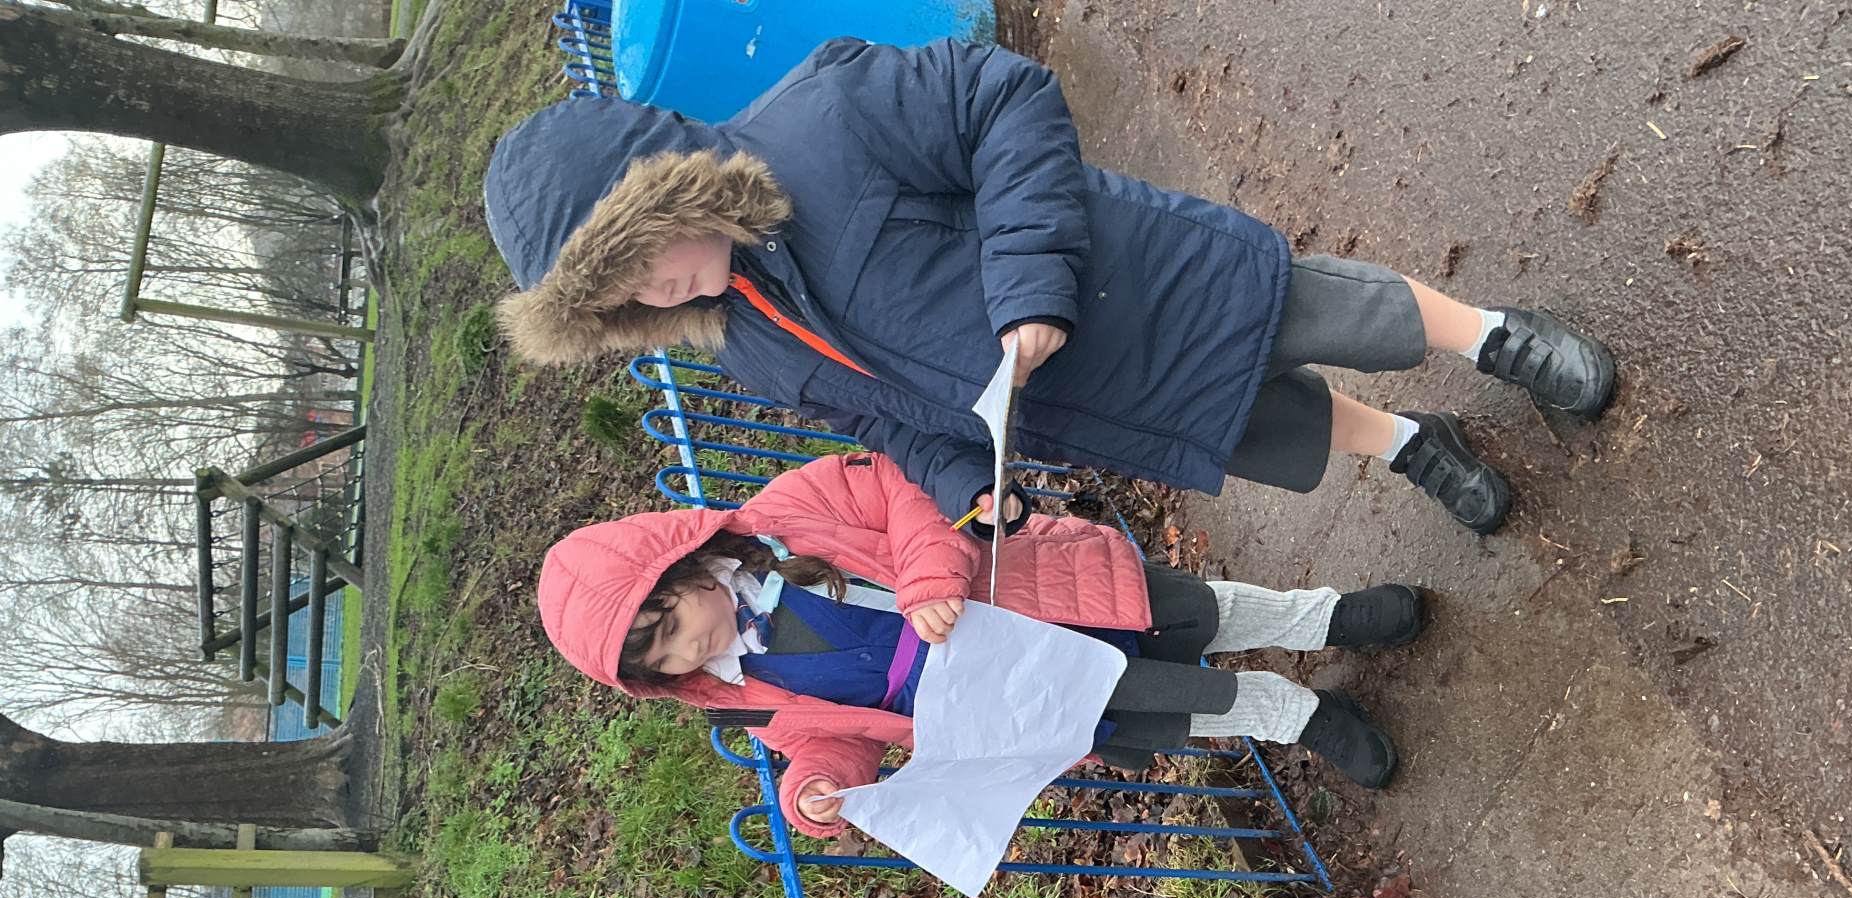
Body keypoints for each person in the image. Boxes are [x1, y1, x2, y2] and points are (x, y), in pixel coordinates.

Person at [486, 38, 1615, 541]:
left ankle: (1495, 338)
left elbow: (1005, 99)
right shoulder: (744, 340)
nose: (656, 289)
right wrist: (964, 493)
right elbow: (876, 422)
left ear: (665, 187)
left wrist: (1029, 284)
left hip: (1141, 282)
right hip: (1105, 406)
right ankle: (1415, 445)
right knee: (1275, 427)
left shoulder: (823, 119)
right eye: (624, 296)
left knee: (1339, 312)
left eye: (640, 254)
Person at [538, 450, 1428, 839]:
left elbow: (902, 488)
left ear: (683, 564)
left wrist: (929, 577)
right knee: (1187, 705)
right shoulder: (750, 694)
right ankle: (1300, 715)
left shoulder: (788, 515)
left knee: (1203, 614)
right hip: (1024, 695)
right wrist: (819, 788)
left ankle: (1327, 619)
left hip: (1035, 599)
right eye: (663, 666)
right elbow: (830, 739)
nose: (687, 655)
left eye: (671, 628)